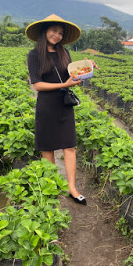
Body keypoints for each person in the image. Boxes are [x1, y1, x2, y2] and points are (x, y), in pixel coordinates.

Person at [25, 14, 98, 205]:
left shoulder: (64, 53)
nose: (56, 35)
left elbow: (73, 77)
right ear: (45, 31)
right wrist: (62, 84)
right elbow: (37, 85)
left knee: (69, 146)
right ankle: (52, 186)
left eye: (60, 33)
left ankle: (72, 188)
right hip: (46, 106)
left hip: (64, 105)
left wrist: (86, 68)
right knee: (47, 147)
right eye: (54, 31)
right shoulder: (34, 55)